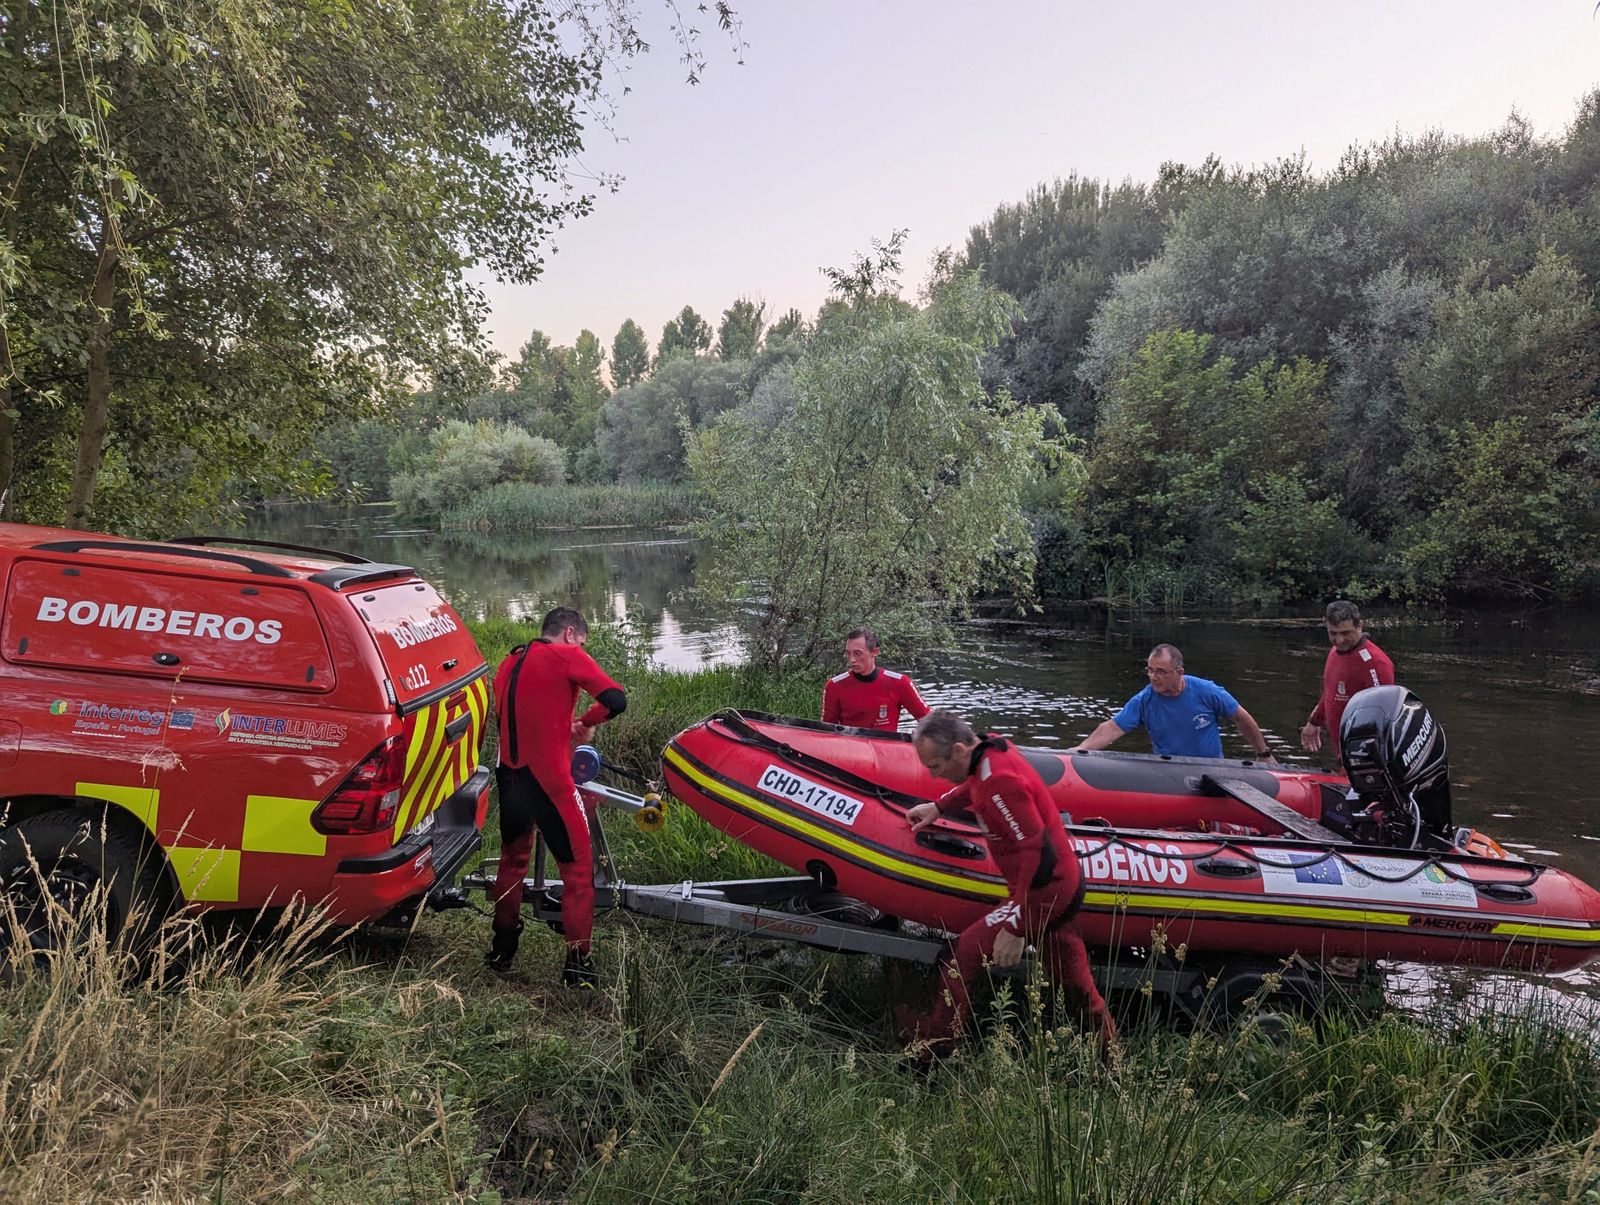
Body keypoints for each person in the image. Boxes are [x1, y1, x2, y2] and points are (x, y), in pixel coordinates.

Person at [904, 710, 1115, 1061]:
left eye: (935, 766)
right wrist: (940, 806)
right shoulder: (989, 748)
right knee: (1076, 985)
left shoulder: (1000, 782)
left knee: (958, 958)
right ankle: (1111, 1060)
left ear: (958, 750)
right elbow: (974, 784)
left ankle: (932, 1056)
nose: (933, 775)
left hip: (1045, 892)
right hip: (1056, 887)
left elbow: (1040, 856)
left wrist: (1016, 927)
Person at [487, 607, 627, 985]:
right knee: (578, 871)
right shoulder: (566, 655)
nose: (581, 647)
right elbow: (616, 699)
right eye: (581, 641)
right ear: (569, 634)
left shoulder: (509, 662)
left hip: (510, 777)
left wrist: (561, 727)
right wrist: (586, 722)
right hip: (549, 782)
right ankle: (578, 966)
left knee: (512, 862)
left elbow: (524, 717)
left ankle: (502, 948)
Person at [1071, 643, 1272, 760]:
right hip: (1168, 771)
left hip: (1210, 768)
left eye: (1161, 672)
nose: (1154, 677)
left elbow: (1242, 718)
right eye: (1150, 670)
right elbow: (1113, 727)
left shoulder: (1208, 691)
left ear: (1179, 672)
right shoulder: (1145, 699)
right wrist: (1082, 748)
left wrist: (1263, 754)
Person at [1300, 600, 1395, 757]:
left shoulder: (1375, 663)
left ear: (1360, 626)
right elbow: (1331, 691)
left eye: (1345, 633)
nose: (1339, 640)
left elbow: (1384, 715)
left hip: (1363, 757)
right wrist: (1314, 721)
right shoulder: (1335, 652)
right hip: (1341, 752)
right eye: (1333, 633)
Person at [821, 626, 931, 731]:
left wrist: (919, 737)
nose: (852, 659)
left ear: (875, 652)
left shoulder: (899, 682)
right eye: (848, 653)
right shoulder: (834, 686)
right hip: (850, 743)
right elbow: (825, 731)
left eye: (857, 653)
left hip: (885, 743)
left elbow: (929, 721)